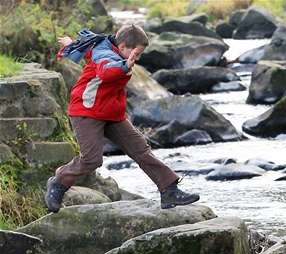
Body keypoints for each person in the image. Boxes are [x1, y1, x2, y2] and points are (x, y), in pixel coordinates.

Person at [45, 24, 199, 213]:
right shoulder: (106, 57)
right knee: (92, 159)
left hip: (111, 112)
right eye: (137, 53)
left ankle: (169, 190)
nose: (138, 58)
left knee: (140, 149)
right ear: (123, 46)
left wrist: (73, 44)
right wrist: (125, 65)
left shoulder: (105, 46)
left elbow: (91, 48)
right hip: (87, 111)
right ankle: (59, 182)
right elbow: (105, 71)